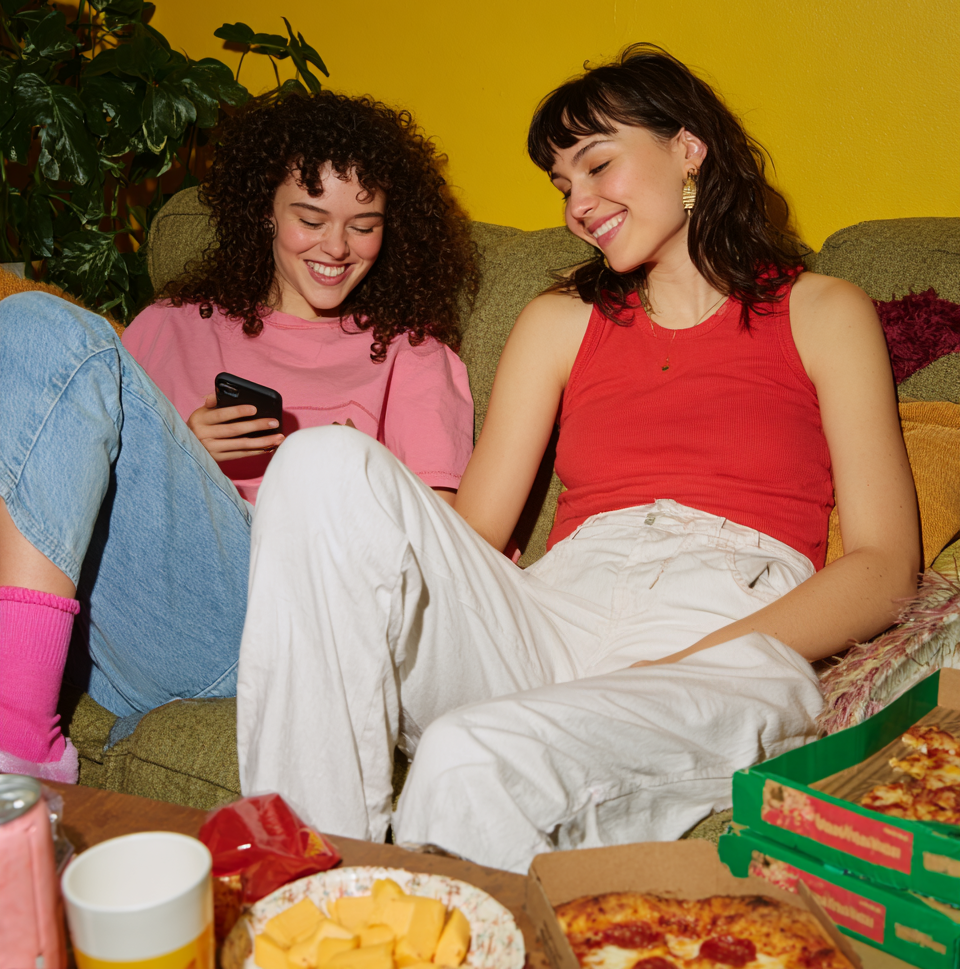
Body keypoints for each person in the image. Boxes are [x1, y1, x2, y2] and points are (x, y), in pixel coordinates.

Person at [237, 45, 920, 873]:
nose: (578, 205)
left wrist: (692, 662)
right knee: (320, 462)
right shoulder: (559, 319)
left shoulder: (820, 309)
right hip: (555, 609)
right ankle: (302, 882)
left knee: (466, 757)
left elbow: (885, 568)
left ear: (688, 149)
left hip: (724, 623)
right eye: (562, 186)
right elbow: (476, 529)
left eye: (597, 166)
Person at [0, 88, 476, 783]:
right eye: (310, 218)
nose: (337, 248)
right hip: (113, 624)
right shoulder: (171, 323)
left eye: (364, 224)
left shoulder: (411, 353)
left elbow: (439, 547)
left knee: (54, 329)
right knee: (35, 326)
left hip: (268, 621)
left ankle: (19, 745)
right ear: (264, 210)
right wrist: (186, 450)